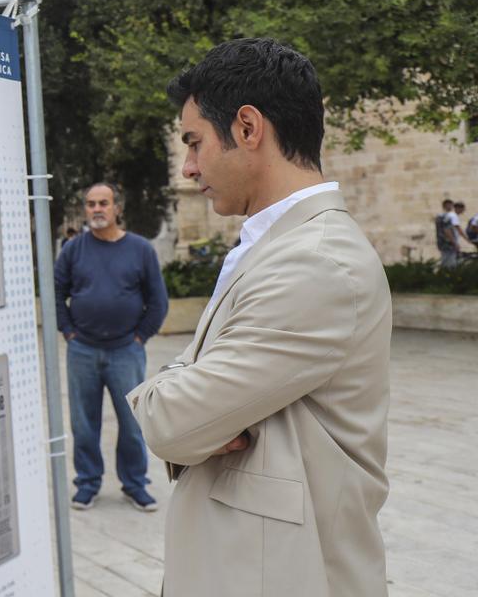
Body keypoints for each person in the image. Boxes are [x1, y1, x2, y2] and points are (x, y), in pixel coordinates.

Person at [129, 39, 392, 596]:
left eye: (195, 142)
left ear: (248, 128)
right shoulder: (281, 246)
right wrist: (200, 401)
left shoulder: (315, 261)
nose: (189, 166)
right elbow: (194, 391)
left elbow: (172, 420)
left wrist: (173, 403)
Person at [54, 182, 168, 511]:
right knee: (83, 423)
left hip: (126, 351)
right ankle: (87, 484)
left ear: (117, 208)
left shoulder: (140, 249)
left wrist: (140, 336)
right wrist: (68, 331)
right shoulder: (73, 250)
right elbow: (57, 292)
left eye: (103, 203)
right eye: (91, 204)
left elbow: (158, 301)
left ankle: (134, 484)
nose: (96, 209)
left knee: (132, 423)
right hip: (82, 349)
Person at [435, 198, 462, 267]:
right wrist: (454, 243)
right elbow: (447, 231)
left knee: (445, 261)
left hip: (442, 243)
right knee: (450, 264)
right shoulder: (448, 217)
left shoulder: (439, 216)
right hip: (448, 243)